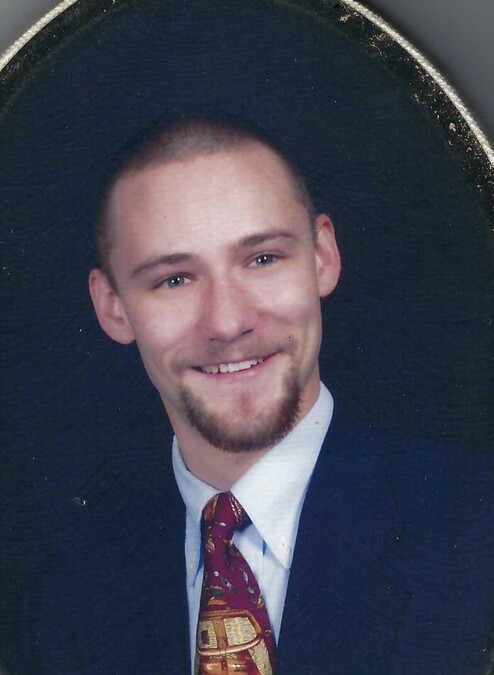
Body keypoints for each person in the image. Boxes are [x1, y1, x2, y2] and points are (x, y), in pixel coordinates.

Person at [9, 118, 494, 674]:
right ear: (113, 306)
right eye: (174, 279)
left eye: (262, 259)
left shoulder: (478, 530)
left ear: (322, 257)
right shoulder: (54, 590)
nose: (227, 321)